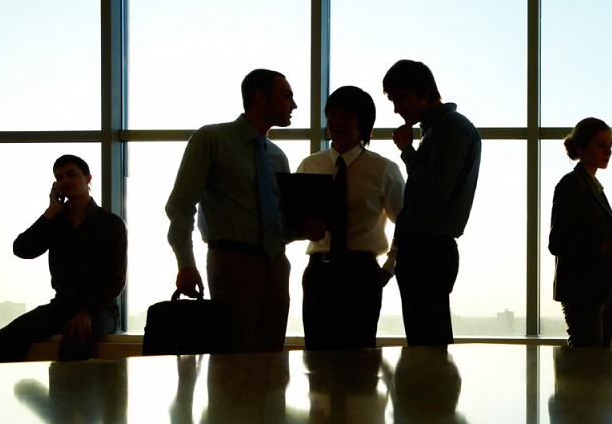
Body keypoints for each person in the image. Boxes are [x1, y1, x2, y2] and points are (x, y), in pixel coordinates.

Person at [165, 68, 300, 353]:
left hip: (276, 265)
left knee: (271, 361)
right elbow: (181, 204)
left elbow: (277, 223)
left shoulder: (277, 156)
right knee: (234, 361)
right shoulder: (211, 139)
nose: (294, 105)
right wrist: (186, 264)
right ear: (260, 98)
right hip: (232, 262)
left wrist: (303, 229)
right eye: (286, 96)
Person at [296, 86, 404, 350]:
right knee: (317, 360)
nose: (336, 122)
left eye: (345, 116)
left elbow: (406, 225)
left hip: (361, 274)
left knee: (360, 363)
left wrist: (388, 270)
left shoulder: (383, 170)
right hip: (319, 271)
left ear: (363, 124)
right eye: (332, 114)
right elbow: (293, 219)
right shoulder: (310, 166)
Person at [382, 60, 481, 346]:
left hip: (428, 250)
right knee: (426, 338)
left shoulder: (449, 128)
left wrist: (407, 151)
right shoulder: (438, 129)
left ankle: (432, 391)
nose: (397, 108)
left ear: (425, 92)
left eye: (401, 98)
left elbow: (437, 191)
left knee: (428, 341)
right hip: (426, 248)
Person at [0, 155, 127, 363]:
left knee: (74, 344)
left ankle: (67, 396)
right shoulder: (55, 222)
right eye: (59, 177)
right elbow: (22, 249)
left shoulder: (110, 224)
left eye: (71, 174)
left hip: (101, 310)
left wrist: (87, 311)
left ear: (88, 178)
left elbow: (116, 280)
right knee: (1, 341)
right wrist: (51, 212)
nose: (65, 181)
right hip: (62, 305)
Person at [549, 117, 612, 347]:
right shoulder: (572, 184)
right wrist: (606, 246)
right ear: (581, 147)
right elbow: (557, 243)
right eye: (601, 145)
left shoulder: (592, 186)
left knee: (595, 367)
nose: (608, 152)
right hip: (583, 291)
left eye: (610, 146)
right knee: (588, 368)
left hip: (601, 289)